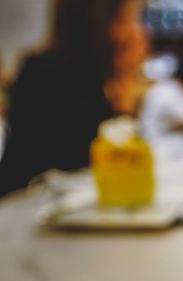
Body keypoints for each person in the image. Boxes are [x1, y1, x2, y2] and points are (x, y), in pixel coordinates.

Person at [0, 0, 149, 196]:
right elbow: (105, 159)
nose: (138, 31)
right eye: (127, 17)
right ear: (98, 21)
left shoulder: (97, 78)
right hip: (24, 208)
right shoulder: (44, 72)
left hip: (64, 208)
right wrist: (125, 85)